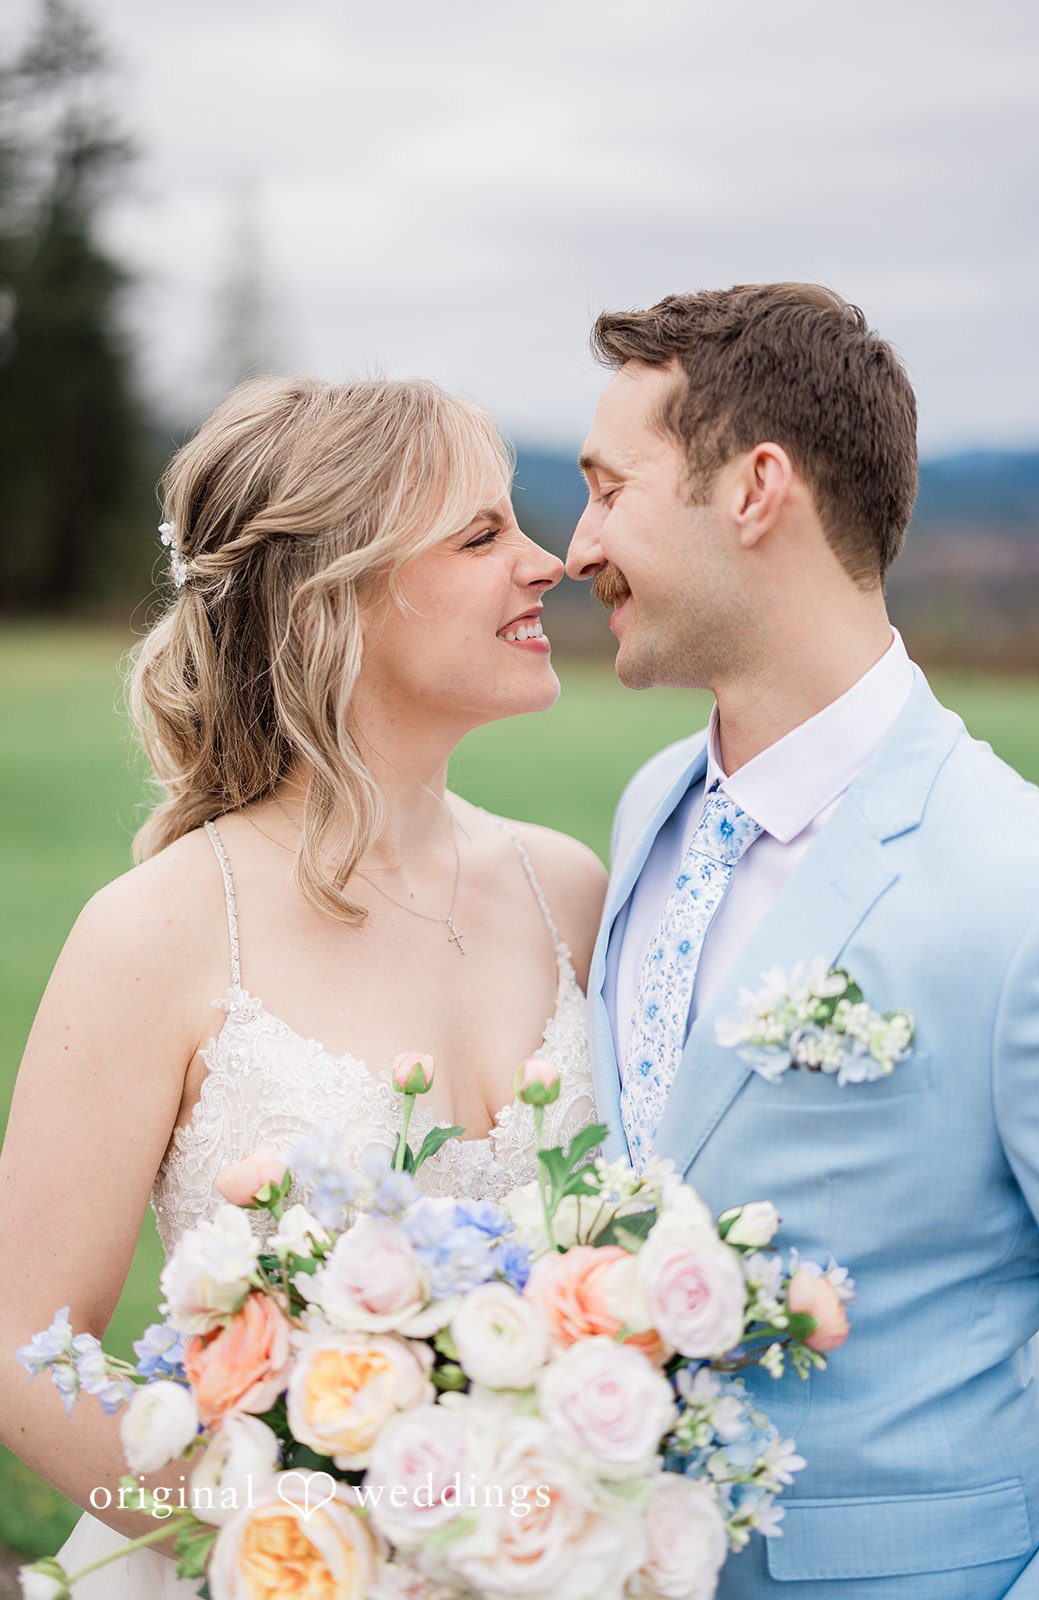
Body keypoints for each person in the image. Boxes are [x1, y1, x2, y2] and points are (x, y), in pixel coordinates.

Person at [0, 375, 605, 1595]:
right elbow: (19, 1351)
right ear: (338, 595)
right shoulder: (159, 931)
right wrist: (279, 1549)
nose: (547, 562)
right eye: (482, 534)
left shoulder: (568, 889)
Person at [567, 283, 1039, 1599]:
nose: (574, 545)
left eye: (607, 489)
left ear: (752, 489)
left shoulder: (1030, 894)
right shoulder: (650, 811)